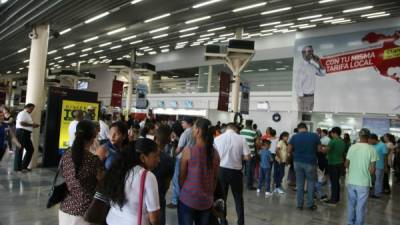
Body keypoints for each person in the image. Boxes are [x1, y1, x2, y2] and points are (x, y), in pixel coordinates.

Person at [104, 139, 161, 225]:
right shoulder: (148, 177)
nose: (158, 160)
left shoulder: (119, 169)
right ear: (142, 157)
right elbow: (154, 218)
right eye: (156, 156)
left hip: (111, 220)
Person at [59, 120, 102, 225]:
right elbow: (101, 183)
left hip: (65, 208)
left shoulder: (66, 154)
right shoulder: (93, 160)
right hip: (84, 212)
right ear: (93, 138)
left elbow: (64, 174)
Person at [179, 118, 220, 225]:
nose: (192, 130)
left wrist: (184, 192)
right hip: (206, 202)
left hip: (188, 199)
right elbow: (215, 178)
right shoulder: (215, 154)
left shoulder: (188, 151)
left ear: (197, 131)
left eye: (194, 128)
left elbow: (182, 177)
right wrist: (209, 193)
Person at [214, 123, 250, 225]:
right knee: (238, 198)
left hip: (221, 171)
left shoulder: (217, 139)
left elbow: (214, 156)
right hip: (235, 173)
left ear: (226, 128)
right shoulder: (241, 139)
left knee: (222, 198)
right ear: (235, 129)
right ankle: (240, 222)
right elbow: (247, 157)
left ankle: (223, 221)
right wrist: (239, 157)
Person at [346, 128, 377, 225]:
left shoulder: (352, 147)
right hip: (363, 182)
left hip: (351, 181)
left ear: (359, 136)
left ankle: (350, 223)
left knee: (351, 204)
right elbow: (372, 169)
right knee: (361, 206)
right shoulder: (371, 149)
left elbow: (346, 164)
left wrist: (353, 171)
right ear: (368, 137)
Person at [288, 122, 320, 210]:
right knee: (311, 183)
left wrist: (294, 153)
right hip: (310, 162)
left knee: (299, 184)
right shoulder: (314, 136)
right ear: (306, 128)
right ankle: (310, 204)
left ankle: (299, 204)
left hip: (297, 162)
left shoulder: (294, 137)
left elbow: (289, 149)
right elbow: (319, 149)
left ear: (298, 129)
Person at [168, 116, 195, 208]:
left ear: (188, 123)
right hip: (191, 159)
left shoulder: (185, 134)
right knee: (186, 180)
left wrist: (173, 155)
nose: (182, 124)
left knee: (176, 180)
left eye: (183, 123)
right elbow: (187, 143)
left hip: (181, 159)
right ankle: (185, 199)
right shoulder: (195, 132)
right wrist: (177, 138)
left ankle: (175, 201)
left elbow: (179, 149)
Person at [152, 125, 175, 225]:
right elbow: (166, 184)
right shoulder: (169, 161)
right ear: (169, 139)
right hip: (158, 198)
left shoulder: (143, 153)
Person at [295, 45, 325, 112]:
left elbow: (323, 73)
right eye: (309, 51)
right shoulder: (301, 66)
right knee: (303, 118)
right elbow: (297, 84)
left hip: (311, 97)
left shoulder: (312, 66)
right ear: (303, 53)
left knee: (308, 117)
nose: (311, 54)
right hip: (304, 98)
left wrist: (319, 62)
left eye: (312, 51)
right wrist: (301, 98)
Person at [14, 103, 40, 172]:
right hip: (22, 133)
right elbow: (21, 123)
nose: (32, 110)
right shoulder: (23, 113)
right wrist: (32, 124)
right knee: (28, 149)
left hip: (24, 133)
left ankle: (21, 167)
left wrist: (32, 125)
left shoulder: (27, 114)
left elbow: (25, 124)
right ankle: (20, 167)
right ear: (27, 107)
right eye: (31, 109)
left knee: (26, 150)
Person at [323, 127, 345, 205]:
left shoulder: (333, 141)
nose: (331, 135)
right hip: (340, 163)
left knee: (333, 182)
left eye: (332, 133)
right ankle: (337, 197)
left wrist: (322, 148)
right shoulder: (342, 141)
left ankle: (333, 199)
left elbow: (326, 150)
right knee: (336, 182)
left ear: (335, 133)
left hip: (333, 163)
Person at [240, 120, 257, 190]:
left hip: (241, 154)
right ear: (251, 124)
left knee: (240, 169)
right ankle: (249, 186)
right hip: (250, 154)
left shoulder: (241, 131)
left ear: (245, 124)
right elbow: (256, 143)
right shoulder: (253, 132)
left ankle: (239, 184)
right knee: (249, 170)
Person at [369, 134, 388, 198]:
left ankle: (377, 194)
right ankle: (373, 192)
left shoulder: (382, 145)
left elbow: (385, 157)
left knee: (378, 180)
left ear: (374, 139)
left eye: (370, 140)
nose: (370, 142)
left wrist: (385, 167)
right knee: (372, 180)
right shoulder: (372, 145)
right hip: (371, 165)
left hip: (380, 166)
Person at [315, 129, 329, 200]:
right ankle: (321, 194)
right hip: (320, 166)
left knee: (316, 180)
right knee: (319, 180)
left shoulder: (314, 150)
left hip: (316, 165)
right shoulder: (320, 152)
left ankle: (314, 194)